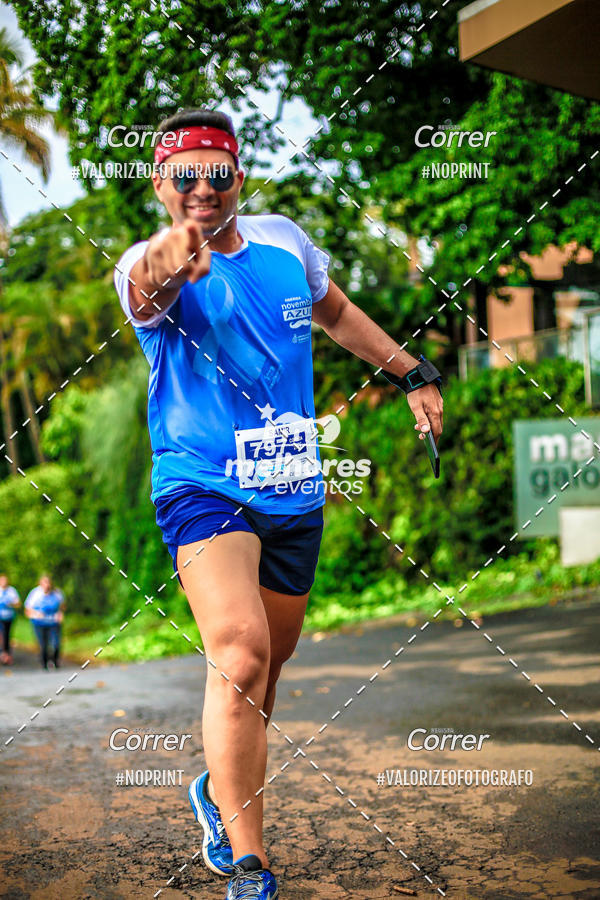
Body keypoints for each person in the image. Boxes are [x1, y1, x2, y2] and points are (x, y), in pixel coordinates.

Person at [114, 108, 443, 900]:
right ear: (159, 184)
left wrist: (411, 371)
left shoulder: (285, 242)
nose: (203, 187)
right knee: (240, 654)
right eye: (185, 176)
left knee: (266, 671)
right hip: (201, 482)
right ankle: (248, 861)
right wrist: (175, 253)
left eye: (217, 173)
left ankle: (217, 785)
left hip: (292, 486)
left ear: (238, 176)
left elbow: (335, 313)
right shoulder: (144, 263)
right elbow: (149, 284)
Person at [25, 575, 65, 670]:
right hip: (39, 623)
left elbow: (62, 606)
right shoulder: (35, 594)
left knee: (56, 644)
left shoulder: (57, 593)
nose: (47, 585)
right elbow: (27, 610)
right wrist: (36, 614)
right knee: (43, 645)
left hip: (53, 623)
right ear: (40, 584)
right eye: (44, 583)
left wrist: (60, 614)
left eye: (48, 583)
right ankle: (44, 663)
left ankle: (55, 661)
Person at [0, 573, 20, 665]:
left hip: (9, 617)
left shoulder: (12, 591)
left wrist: (11, 604)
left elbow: (18, 604)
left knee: (7, 635)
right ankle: (3, 654)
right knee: (2, 635)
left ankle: (6, 654)